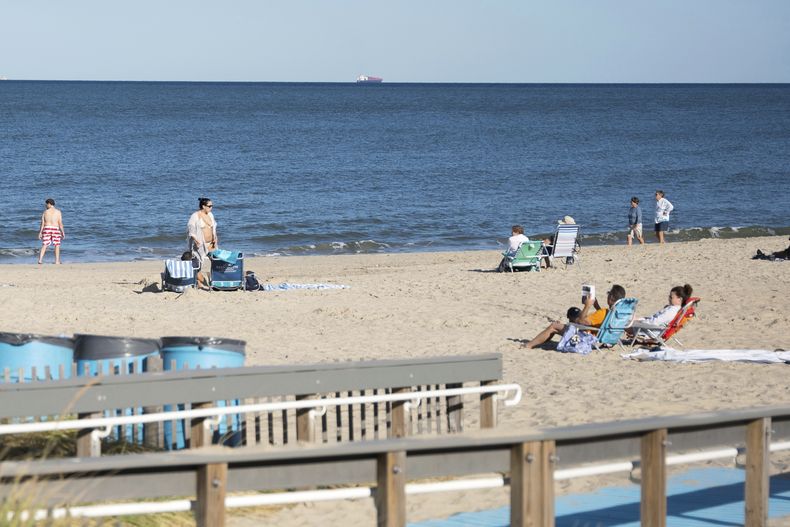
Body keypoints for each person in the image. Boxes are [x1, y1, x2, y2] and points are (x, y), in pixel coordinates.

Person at [524, 284, 626, 349]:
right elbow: (603, 319)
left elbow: (581, 322)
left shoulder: (603, 312)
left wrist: (587, 305)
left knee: (554, 326)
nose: (607, 295)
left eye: (608, 294)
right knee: (565, 323)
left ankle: (528, 345)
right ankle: (540, 342)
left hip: (584, 338)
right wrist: (596, 306)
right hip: (605, 338)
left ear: (611, 298)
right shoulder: (619, 313)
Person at [627, 284, 693, 339]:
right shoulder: (674, 309)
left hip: (651, 332)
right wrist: (639, 319)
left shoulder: (671, 311)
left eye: (671, 297)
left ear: (680, 299)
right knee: (628, 320)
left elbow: (655, 322)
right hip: (652, 328)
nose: (669, 298)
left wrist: (639, 322)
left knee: (623, 324)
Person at [187, 197, 218, 289]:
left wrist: (216, 237)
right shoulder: (195, 216)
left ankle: (215, 280)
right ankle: (199, 283)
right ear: (203, 206)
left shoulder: (210, 215)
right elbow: (191, 229)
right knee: (198, 263)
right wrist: (196, 240)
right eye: (209, 206)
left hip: (211, 243)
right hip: (200, 244)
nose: (211, 207)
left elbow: (214, 227)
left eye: (212, 205)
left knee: (215, 261)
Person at [38, 198, 65, 264]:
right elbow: (60, 223)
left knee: (45, 244)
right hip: (55, 228)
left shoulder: (45, 212)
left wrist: (40, 232)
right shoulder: (58, 212)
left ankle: (40, 260)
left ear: (49, 204)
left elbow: (42, 223)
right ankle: (57, 261)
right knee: (57, 245)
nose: (45, 206)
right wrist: (63, 232)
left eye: (46, 204)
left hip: (47, 228)